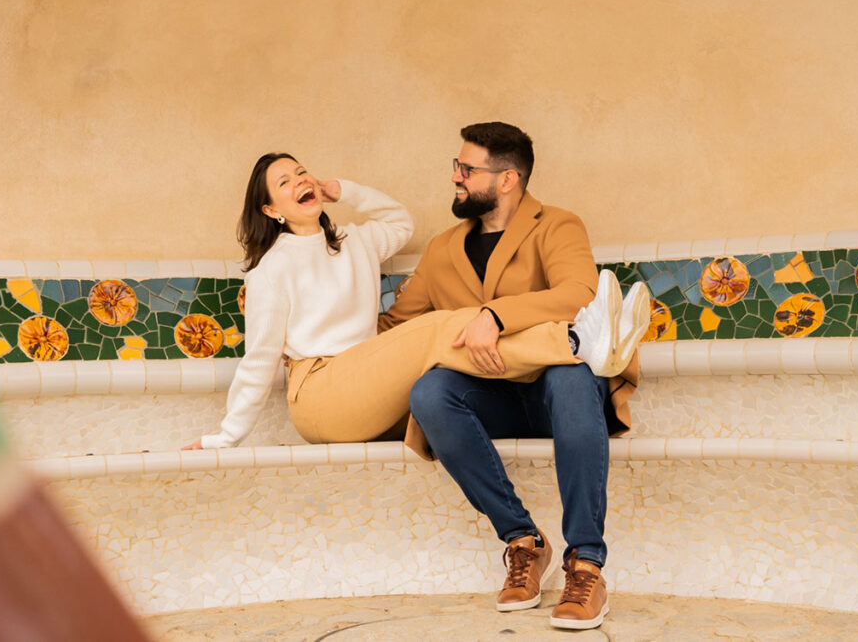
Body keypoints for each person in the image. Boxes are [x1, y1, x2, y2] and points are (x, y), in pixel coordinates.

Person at [379, 122, 642, 630]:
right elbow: (398, 325)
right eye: (456, 167)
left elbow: (579, 294)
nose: (455, 177)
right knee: (430, 391)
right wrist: (316, 345)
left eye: (466, 169)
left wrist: (495, 316)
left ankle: (586, 565)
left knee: (570, 377)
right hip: (490, 396)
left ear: (507, 179)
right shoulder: (442, 248)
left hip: (558, 393)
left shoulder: (557, 225)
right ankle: (524, 542)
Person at [184, 152, 624, 452]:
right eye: (285, 182)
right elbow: (259, 358)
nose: (300, 180)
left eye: (302, 172)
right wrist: (226, 437)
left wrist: (344, 190)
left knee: (440, 394)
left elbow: (400, 221)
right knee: (439, 328)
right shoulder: (272, 269)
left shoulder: (354, 242)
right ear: (269, 209)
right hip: (321, 395)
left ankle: (570, 353)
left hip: (367, 385)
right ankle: (574, 342)